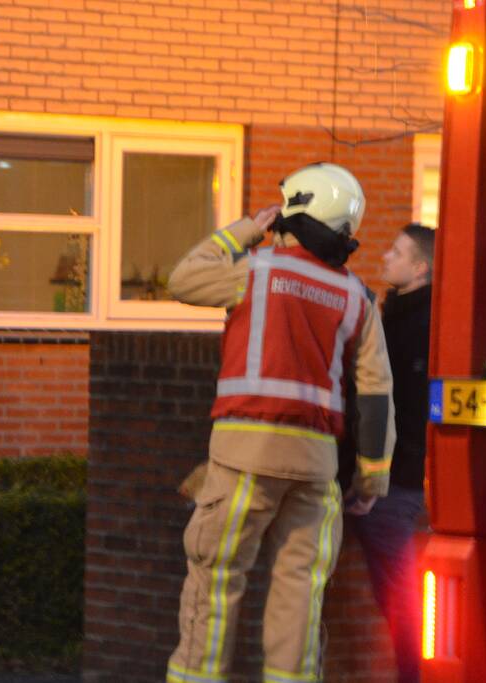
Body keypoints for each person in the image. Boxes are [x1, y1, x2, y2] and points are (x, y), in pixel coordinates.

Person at [165, 163, 396, 683]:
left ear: (293, 209)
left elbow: (182, 278)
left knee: (215, 582)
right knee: (301, 594)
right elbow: (377, 395)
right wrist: (371, 479)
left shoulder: (255, 270)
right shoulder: (357, 297)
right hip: (316, 473)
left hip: (242, 462)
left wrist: (246, 227)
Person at [347, 223, 434, 683]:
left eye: (397, 253)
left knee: (399, 596)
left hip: (392, 485)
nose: (385, 258)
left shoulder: (416, 327)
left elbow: (399, 406)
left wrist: (374, 482)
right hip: (386, 481)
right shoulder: (398, 316)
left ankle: (414, 676)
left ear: (420, 268)